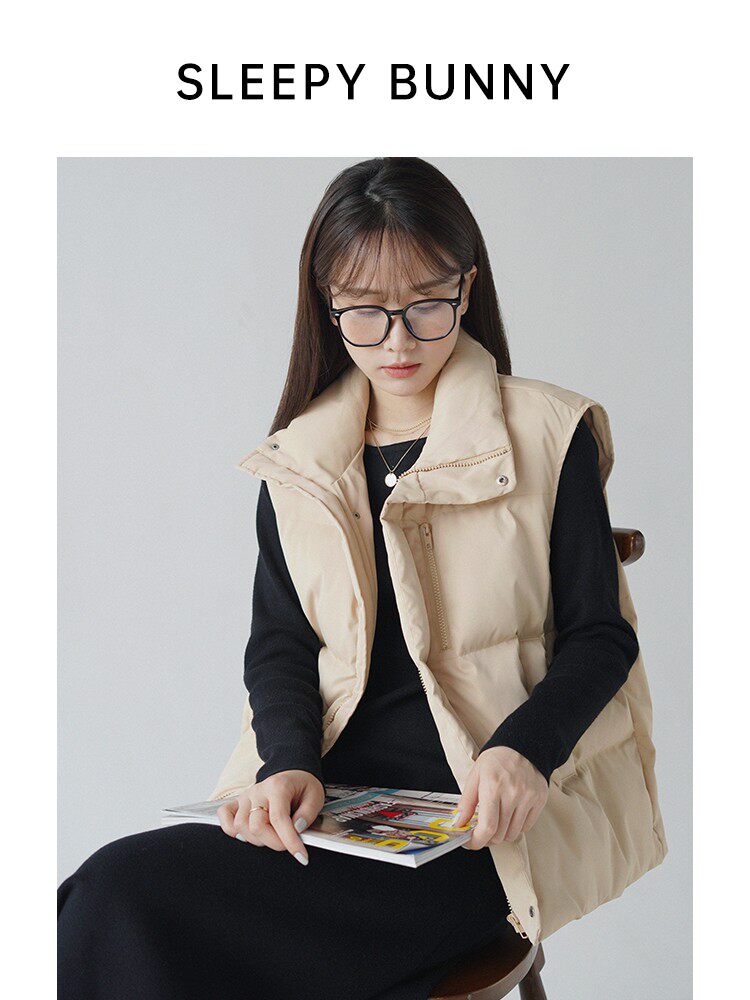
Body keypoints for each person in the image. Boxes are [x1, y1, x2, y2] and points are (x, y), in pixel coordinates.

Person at [58, 157, 666, 1000]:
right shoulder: (300, 459)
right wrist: (285, 764)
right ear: (327, 303)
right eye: (366, 313)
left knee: (138, 915)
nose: (399, 341)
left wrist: (522, 749)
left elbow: (600, 636)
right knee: (107, 896)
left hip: (477, 829)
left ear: (467, 286)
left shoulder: (547, 432)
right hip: (328, 811)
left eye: (426, 305)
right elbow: (280, 641)